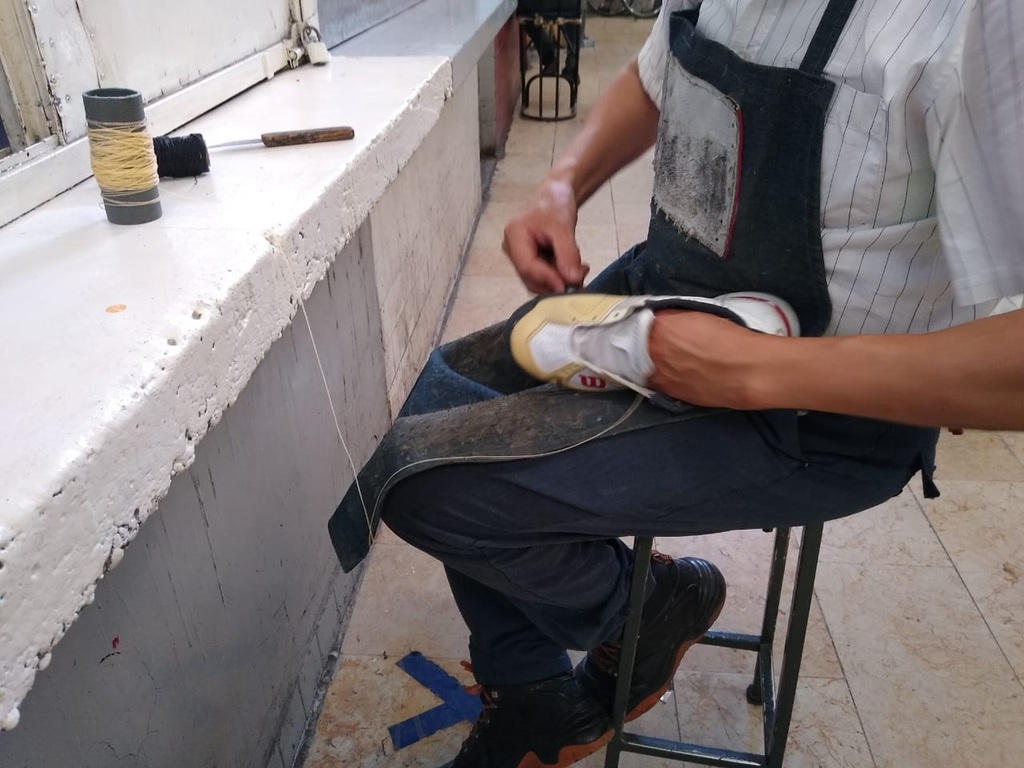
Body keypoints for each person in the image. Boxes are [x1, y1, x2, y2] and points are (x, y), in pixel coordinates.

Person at [327, 1, 1024, 766]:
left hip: (816, 413)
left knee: (429, 486)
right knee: (436, 405)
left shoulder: (976, 22)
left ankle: (646, 611)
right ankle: (536, 691)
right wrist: (564, 184)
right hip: (662, 302)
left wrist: (758, 370)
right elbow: (659, 73)